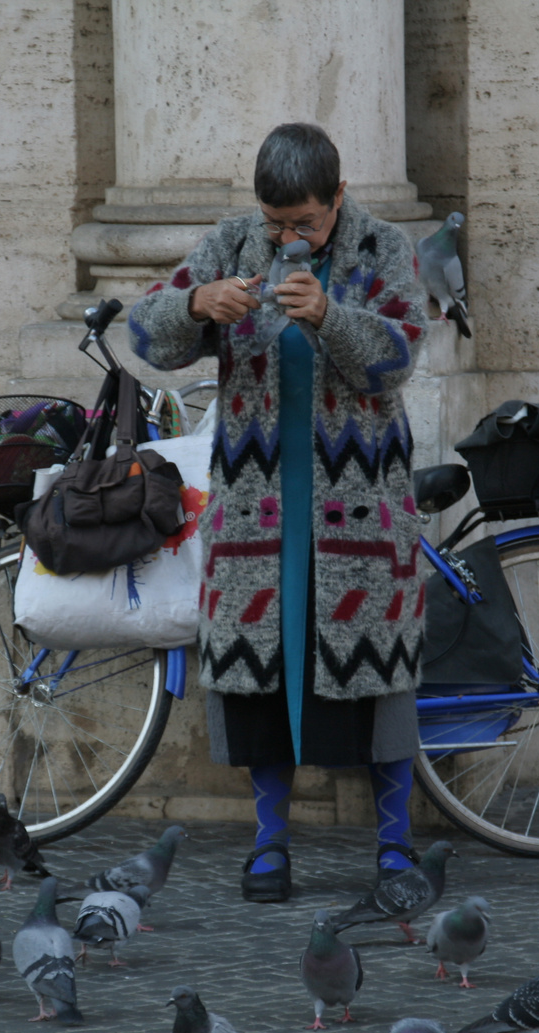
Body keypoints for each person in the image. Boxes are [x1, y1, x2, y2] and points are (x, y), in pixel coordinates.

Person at [128, 123, 430, 902]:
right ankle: (269, 843)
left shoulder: (383, 249)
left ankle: (395, 846)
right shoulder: (231, 245)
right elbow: (145, 333)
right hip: (258, 506)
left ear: (337, 199)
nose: (288, 237)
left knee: (378, 670)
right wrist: (198, 303)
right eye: (276, 224)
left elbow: (398, 356)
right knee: (264, 672)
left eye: (305, 222)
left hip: (360, 507)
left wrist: (331, 314)